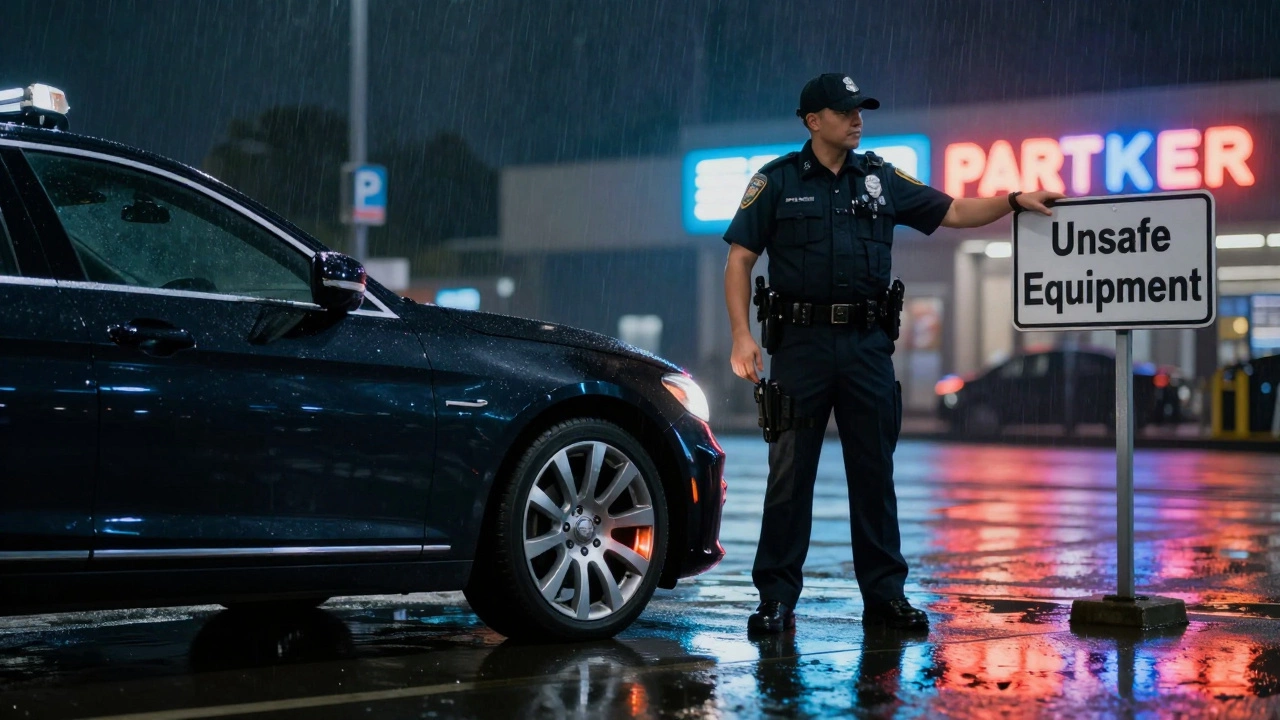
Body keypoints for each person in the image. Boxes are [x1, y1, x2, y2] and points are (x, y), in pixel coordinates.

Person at [723, 73, 1062, 633]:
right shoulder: (777, 181)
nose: (858, 119)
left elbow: (951, 211)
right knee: (789, 477)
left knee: (874, 475)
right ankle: (776, 598)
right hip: (800, 348)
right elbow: (740, 260)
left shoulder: (879, 179)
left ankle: (885, 598)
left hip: (867, 348)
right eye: (845, 111)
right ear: (813, 120)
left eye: (861, 110)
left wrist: (1011, 201)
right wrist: (741, 335)